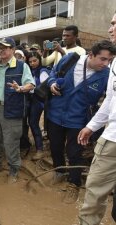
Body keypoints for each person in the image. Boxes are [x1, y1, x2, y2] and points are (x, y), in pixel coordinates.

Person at [47, 40, 115, 204]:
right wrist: (51, 84)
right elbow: (52, 74)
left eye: (110, 60)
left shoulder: (106, 75)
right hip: (55, 114)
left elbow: (109, 100)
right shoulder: (70, 59)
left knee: (75, 153)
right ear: (91, 55)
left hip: (78, 121)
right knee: (55, 147)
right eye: (103, 59)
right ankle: (59, 172)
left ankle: (74, 183)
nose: (106, 64)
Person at [78, 12, 116, 224]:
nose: (110, 29)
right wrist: (92, 126)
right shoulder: (115, 65)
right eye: (111, 23)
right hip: (112, 140)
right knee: (94, 195)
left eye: (115, 24)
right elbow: (110, 100)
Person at [0, 37, 35, 183]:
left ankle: (14, 169)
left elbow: (31, 84)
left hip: (12, 109)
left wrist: (20, 88)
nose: (0, 50)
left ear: (12, 49)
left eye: (4, 48)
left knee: (11, 141)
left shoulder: (21, 66)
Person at [26, 51, 50, 160]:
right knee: (30, 123)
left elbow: (45, 88)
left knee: (33, 123)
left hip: (38, 100)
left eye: (35, 60)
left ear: (39, 60)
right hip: (29, 99)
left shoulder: (42, 71)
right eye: (30, 61)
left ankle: (40, 149)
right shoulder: (29, 70)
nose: (32, 63)